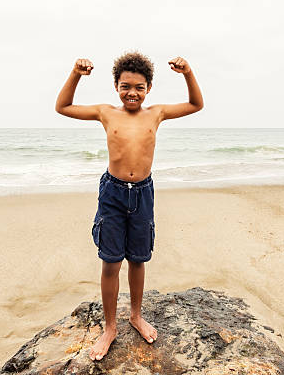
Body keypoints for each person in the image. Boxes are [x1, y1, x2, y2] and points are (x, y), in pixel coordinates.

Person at [55, 51, 204, 361]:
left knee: (138, 259)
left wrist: (188, 72)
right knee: (111, 261)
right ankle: (110, 327)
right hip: (112, 192)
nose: (132, 93)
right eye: (125, 86)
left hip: (143, 194)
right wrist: (76, 73)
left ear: (148, 88)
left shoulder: (157, 113)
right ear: (116, 86)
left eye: (139, 87)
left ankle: (135, 315)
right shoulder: (106, 112)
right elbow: (63, 107)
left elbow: (195, 104)